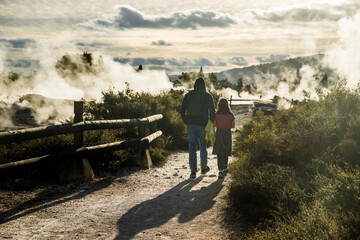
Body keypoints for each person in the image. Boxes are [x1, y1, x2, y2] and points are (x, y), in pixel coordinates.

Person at [181, 77, 215, 178]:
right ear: (204, 85)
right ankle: (204, 168)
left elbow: (182, 110)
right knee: (203, 146)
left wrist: (186, 120)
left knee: (192, 147)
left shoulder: (188, 95)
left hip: (191, 124)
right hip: (203, 124)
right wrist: (211, 123)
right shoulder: (208, 96)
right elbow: (212, 111)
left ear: (195, 85)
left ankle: (193, 171)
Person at [212, 98, 235, 178]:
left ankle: (220, 170)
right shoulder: (231, 114)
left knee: (219, 152)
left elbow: (214, 125)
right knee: (226, 151)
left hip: (219, 133)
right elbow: (233, 126)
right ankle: (225, 168)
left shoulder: (217, 114)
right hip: (227, 133)